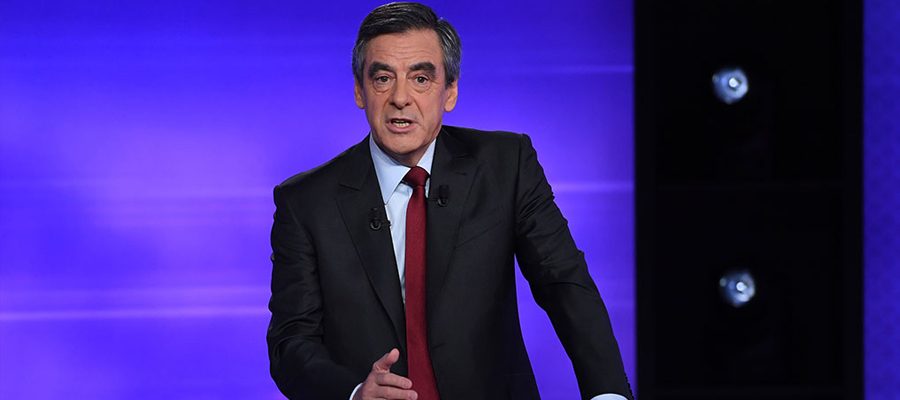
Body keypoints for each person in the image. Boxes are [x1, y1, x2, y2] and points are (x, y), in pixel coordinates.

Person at [266, 2, 633, 400]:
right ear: (359, 90)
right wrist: (354, 392)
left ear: (450, 91)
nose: (401, 98)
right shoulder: (306, 202)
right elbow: (291, 343)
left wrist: (608, 394)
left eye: (421, 78)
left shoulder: (505, 165)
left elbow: (564, 283)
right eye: (383, 78)